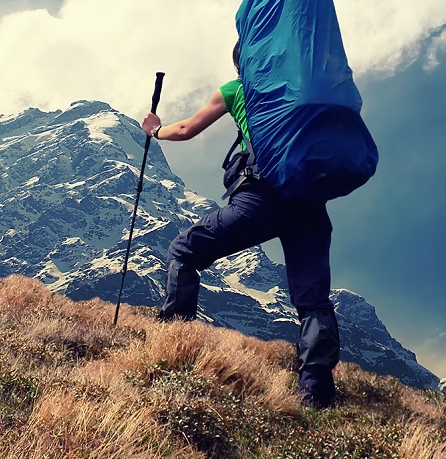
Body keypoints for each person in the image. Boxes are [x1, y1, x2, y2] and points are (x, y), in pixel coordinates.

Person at [140, 43, 340, 409]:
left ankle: (174, 343)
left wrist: (156, 130)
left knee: (185, 250)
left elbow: (185, 130)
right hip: (310, 205)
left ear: (241, 65)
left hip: (261, 197)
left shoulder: (237, 89)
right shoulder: (305, 88)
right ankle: (316, 395)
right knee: (313, 300)